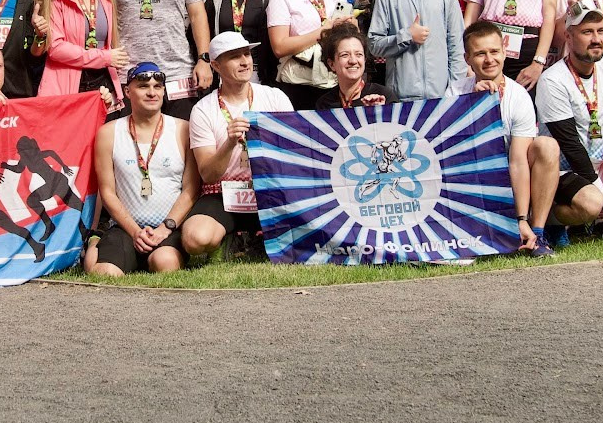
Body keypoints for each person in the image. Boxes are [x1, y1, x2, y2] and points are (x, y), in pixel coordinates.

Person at [181, 31, 291, 263]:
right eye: (234, 56)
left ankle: (252, 238)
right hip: (223, 192)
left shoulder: (275, 97)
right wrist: (229, 143)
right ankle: (230, 239)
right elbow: (208, 174)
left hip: (269, 189)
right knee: (195, 239)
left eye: (246, 54)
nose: (244, 61)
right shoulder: (203, 109)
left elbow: (294, 154)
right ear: (215, 66)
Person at [531, 5, 603, 244]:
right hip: (565, 169)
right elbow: (570, 145)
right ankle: (553, 222)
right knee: (592, 204)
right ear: (568, 36)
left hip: (602, 162)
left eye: (600, 31)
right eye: (587, 32)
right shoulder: (553, 80)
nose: (596, 39)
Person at [89, 62, 195, 276]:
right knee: (104, 273)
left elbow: (191, 188)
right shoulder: (108, 133)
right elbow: (107, 191)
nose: (152, 92)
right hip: (126, 228)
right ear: (128, 91)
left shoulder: (183, 129)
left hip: (168, 228)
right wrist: (135, 232)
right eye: (143, 86)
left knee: (165, 264)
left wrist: (165, 228)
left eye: (157, 87)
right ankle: (94, 243)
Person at [459, 22, 548, 253]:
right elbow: (454, 156)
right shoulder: (454, 92)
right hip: (471, 180)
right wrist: (472, 105)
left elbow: (518, 162)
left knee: (547, 146)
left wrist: (520, 218)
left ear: (504, 52)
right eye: (480, 53)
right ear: (467, 58)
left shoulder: (519, 97)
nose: (489, 59)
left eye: (494, 51)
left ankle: (537, 232)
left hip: (509, 178)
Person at [305, 26, 384, 111]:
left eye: (359, 54)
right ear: (331, 64)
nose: (353, 61)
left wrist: (380, 112)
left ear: (364, 60)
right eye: (345, 55)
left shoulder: (383, 97)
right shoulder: (324, 105)